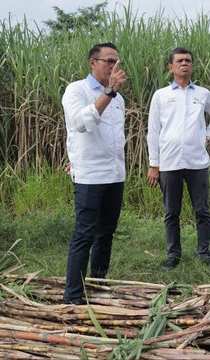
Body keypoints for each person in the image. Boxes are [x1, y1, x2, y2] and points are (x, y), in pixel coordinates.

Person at [147, 47, 210, 270]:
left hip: (197, 162)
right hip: (169, 163)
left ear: (192, 66)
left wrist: (207, 136)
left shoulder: (203, 94)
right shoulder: (161, 96)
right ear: (170, 67)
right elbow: (153, 130)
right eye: (179, 61)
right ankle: (173, 255)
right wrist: (154, 164)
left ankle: (204, 252)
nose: (184, 64)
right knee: (171, 212)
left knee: (202, 210)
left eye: (188, 60)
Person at [62, 42, 127, 304]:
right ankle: (73, 296)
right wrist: (109, 92)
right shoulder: (77, 90)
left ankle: (98, 282)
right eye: (108, 61)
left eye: (116, 62)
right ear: (92, 62)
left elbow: (113, 139)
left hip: (114, 175)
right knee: (84, 234)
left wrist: (112, 93)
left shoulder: (119, 98)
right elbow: (80, 124)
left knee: (106, 233)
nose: (113, 67)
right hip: (89, 176)